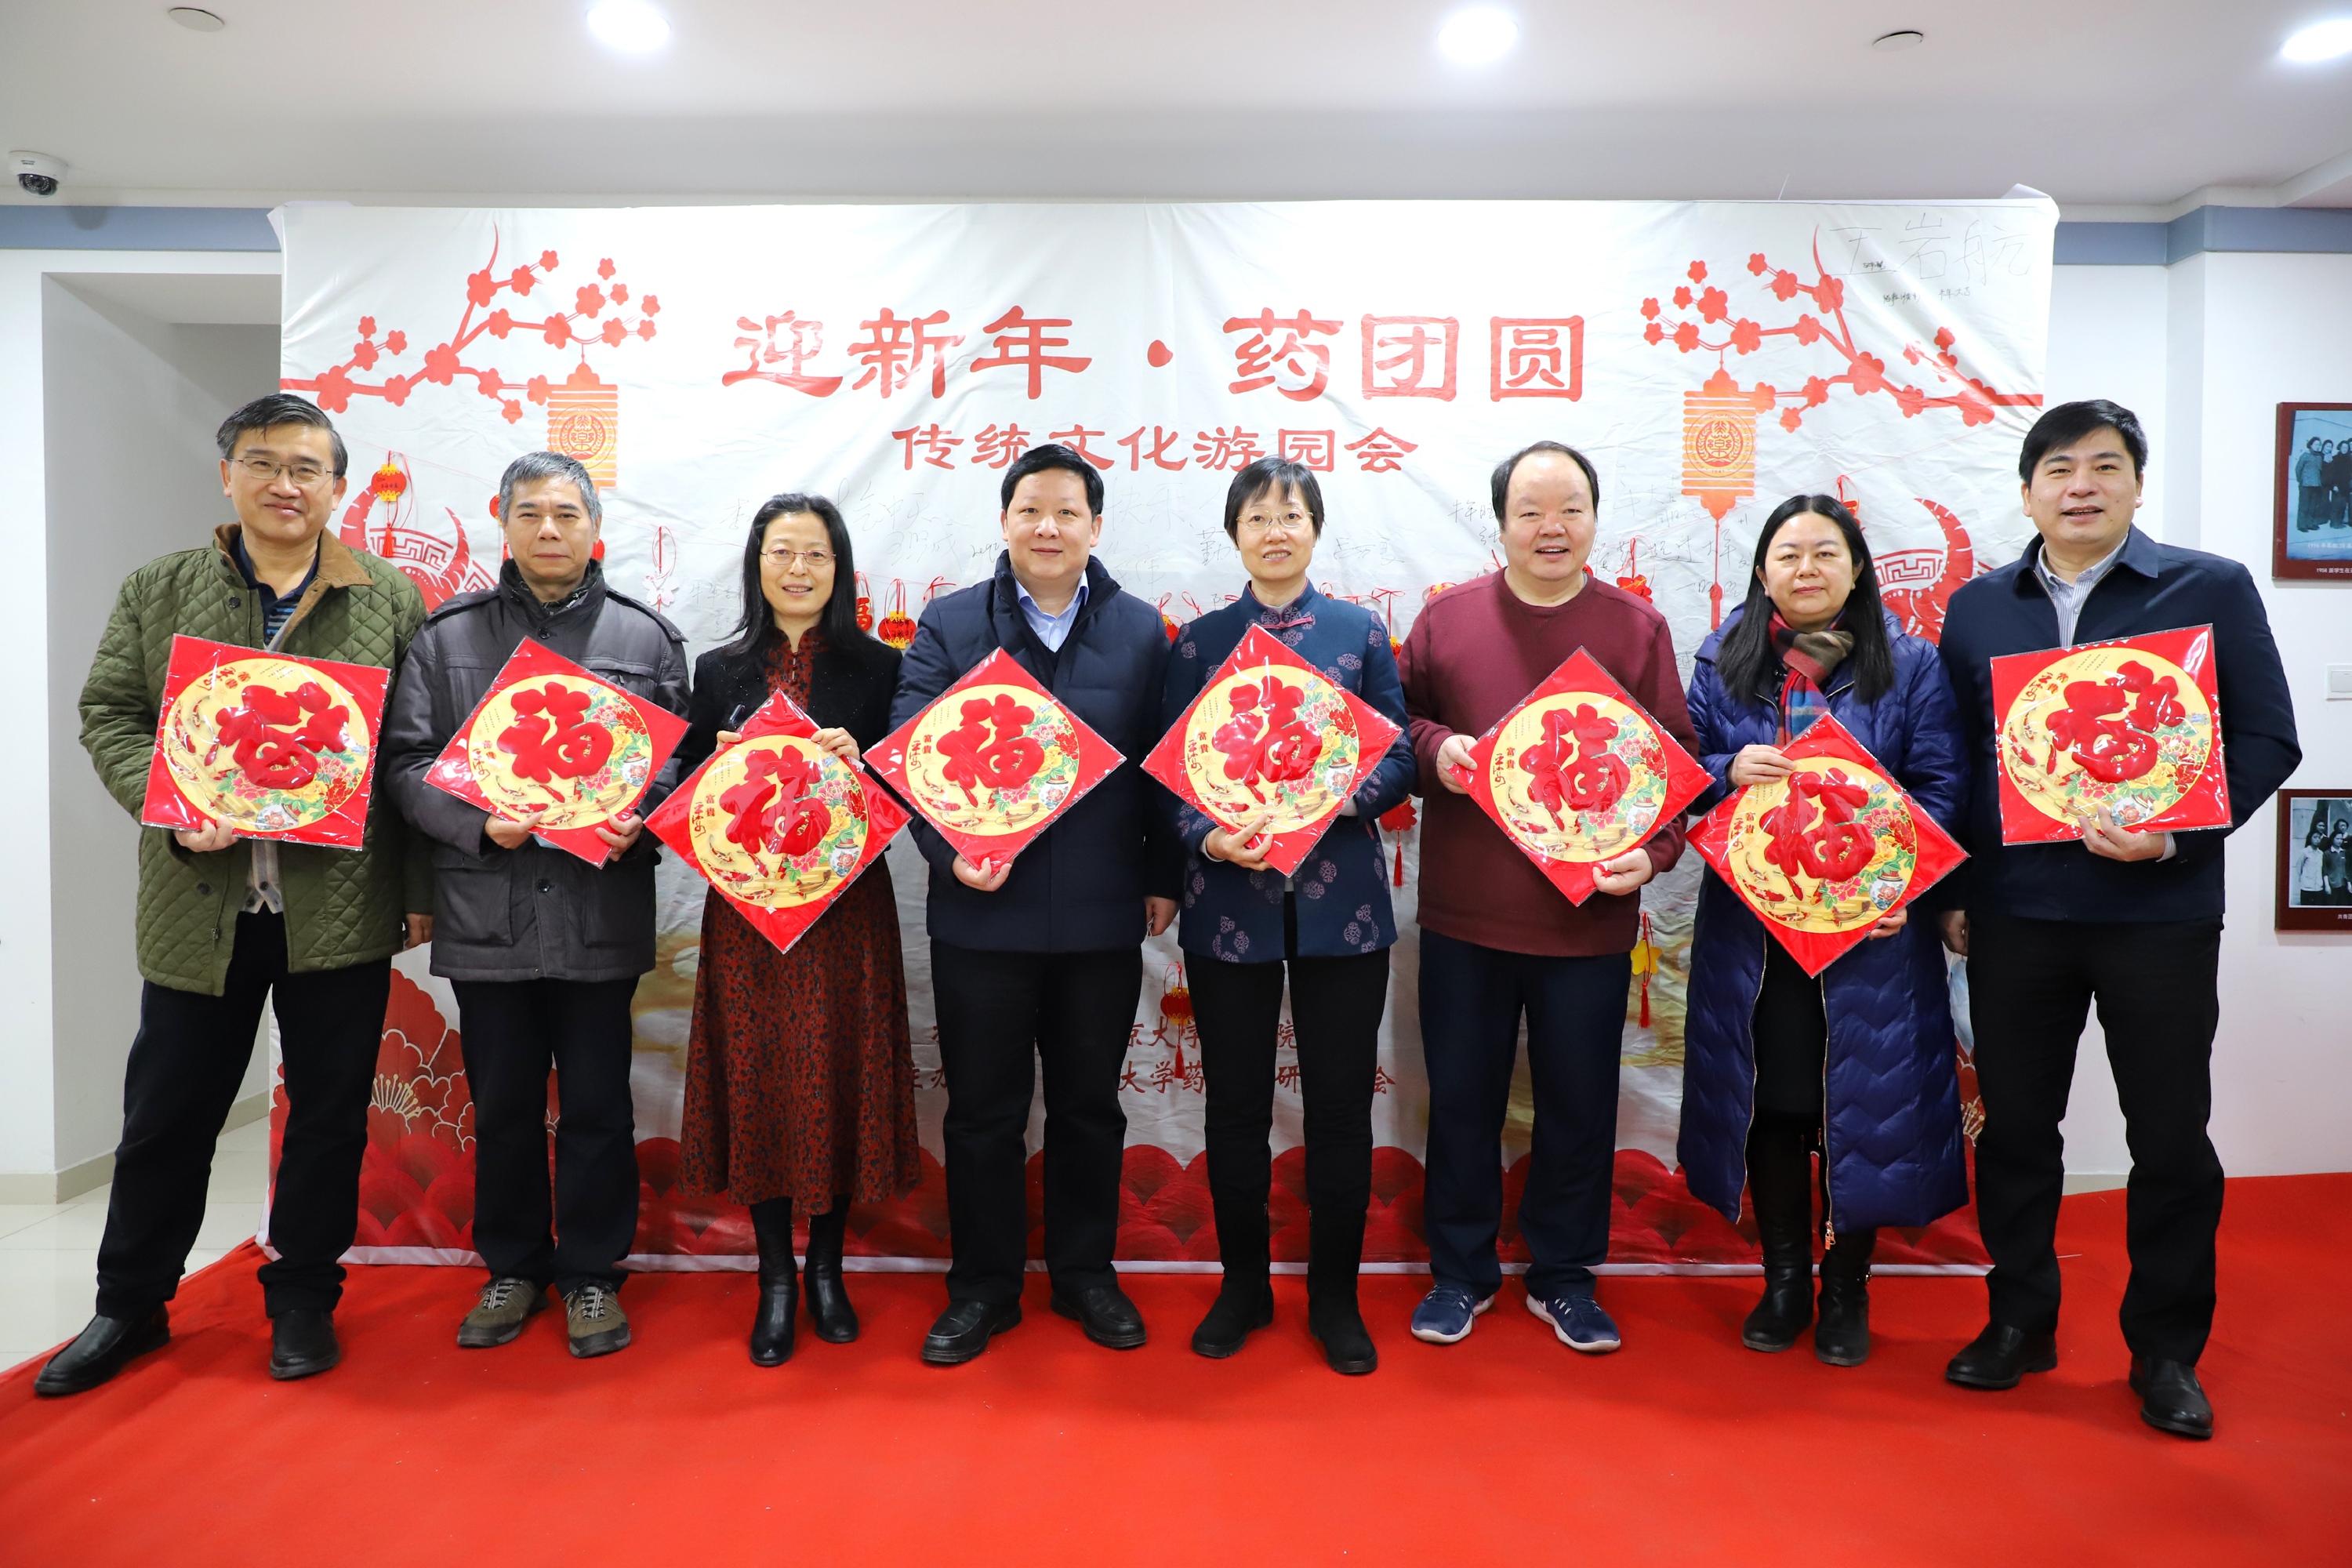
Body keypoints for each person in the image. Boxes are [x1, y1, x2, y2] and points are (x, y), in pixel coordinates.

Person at [41, 393, 431, 1396]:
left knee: (329, 1117)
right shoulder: (161, 588)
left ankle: (302, 1296)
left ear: (338, 487)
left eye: (307, 467)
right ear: (228, 476)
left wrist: (419, 889)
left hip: (337, 908)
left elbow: (412, 755)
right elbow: (109, 712)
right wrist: (169, 802)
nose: (284, 484)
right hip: (197, 904)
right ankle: (129, 1303)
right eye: (263, 462)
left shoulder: (390, 598)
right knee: (166, 1116)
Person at [1936, 399, 2300, 1439]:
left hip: (2157, 913)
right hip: (2016, 912)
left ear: (2137, 483)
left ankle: (2166, 1351)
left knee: (2170, 1134)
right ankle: (2020, 1322)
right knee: (2016, 1130)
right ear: (2027, 494)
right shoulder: (1978, 607)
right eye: (2058, 469)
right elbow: (1958, 757)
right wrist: (1955, 890)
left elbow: (2268, 738)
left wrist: (2176, 838)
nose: (2081, 486)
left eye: (2104, 465)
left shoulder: (2209, 587)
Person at [382, 451, 691, 1360]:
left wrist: (643, 814)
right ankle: (512, 1266)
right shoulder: (446, 638)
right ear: (503, 522)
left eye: (566, 513)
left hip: (600, 910)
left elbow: (679, 763)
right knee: (505, 1105)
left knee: (598, 1104)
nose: (549, 529)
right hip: (489, 912)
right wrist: (480, 821)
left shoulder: (645, 638)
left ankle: (592, 1270)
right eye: (531, 513)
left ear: (595, 527)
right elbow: (404, 762)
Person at [1397, 441, 1700, 1356]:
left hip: (1589, 918)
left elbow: (1675, 769)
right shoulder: (1446, 619)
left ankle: (1565, 1275)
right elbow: (1393, 728)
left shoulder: (1636, 629)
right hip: (1467, 916)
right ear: (1500, 523)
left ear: (1596, 518)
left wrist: (1652, 856)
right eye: (1529, 510)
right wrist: (1437, 749)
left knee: (1579, 1106)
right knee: (1462, 1101)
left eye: (1570, 507)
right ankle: (1460, 1272)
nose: (1551, 527)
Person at [890, 443, 1180, 1366]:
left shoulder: (1142, 630)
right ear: (1005, 520)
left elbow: (1166, 762)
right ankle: (983, 1285)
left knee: (1090, 1106)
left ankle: (1086, 1273)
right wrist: (948, 853)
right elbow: (908, 753)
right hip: (982, 912)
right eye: (1031, 510)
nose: (1048, 527)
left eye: (1067, 512)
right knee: (982, 1111)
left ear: (1096, 526)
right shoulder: (949, 623)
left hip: (1100, 910)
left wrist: (1165, 874)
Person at [1678, 495, 1970, 1367]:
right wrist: (1727, 767)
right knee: (1772, 1103)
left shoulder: (1909, 664)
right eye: (1788, 554)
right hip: (1755, 933)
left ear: (1857, 567)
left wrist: (1899, 884)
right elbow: (1679, 774)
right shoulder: (1723, 660)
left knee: (1860, 1109)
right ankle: (1783, 1279)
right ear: (1762, 570)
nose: (1806, 569)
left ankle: (1847, 1285)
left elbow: (1943, 785)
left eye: (1825, 553)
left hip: (1871, 931)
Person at [1158, 458, 1417, 1374]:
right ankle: (1244, 1286)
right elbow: (1170, 771)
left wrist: (1332, 799)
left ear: (1315, 529)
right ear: (1234, 533)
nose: (1276, 530)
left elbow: (1399, 755)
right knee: (1235, 1106)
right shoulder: (1198, 642)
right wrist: (1207, 835)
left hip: (1343, 909)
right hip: (1230, 902)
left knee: (1340, 1108)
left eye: (1293, 515)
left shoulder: (1359, 631)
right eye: (1259, 517)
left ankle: (1336, 1295)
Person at [673, 494, 917, 1366]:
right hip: (748, 910)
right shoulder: (719, 668)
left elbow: (910, 793)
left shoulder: (882, 667)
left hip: (848, 908)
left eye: (816, 553)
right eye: (782, 552)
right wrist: (715, 767)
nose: (799, 568)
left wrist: (867, 765)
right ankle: (774, 1275)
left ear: (840, 567)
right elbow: (684, 794)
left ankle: (827, 1269)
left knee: (840, 1069)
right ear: (758, 564)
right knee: (760, 1075)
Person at [2292, 438, 2325, 532]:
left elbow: (2320, 471)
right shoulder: (2305, 455)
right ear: (2311, 445)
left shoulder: (2319, 457)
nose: (2317, 447)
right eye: (2316, 444)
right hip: (2306, 485)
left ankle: (2310, 524)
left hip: (2316, 485)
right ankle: (2302, 525)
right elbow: (2298, 469)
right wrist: (2301, 480)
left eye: (2319, 445)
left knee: (2313, 506)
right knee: (2304, 506)